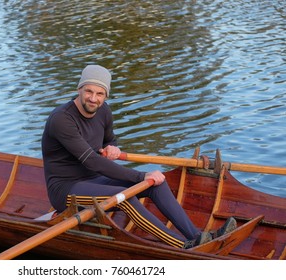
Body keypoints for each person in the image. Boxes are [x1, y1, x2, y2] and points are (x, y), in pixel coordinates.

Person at [41, 64, 236, 249]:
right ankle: (184, 246)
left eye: (100, 93)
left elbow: (110, 141)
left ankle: (196, 236)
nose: (93, 98)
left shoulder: (104, 111)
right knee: (124, 197)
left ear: (105, 95)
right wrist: (140, 177)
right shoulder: (62, 119)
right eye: (89, 91)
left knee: (156, 184)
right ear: (79, 89)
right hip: (65, 190)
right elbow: (92, 160)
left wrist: (112, 148)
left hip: (95, 179)